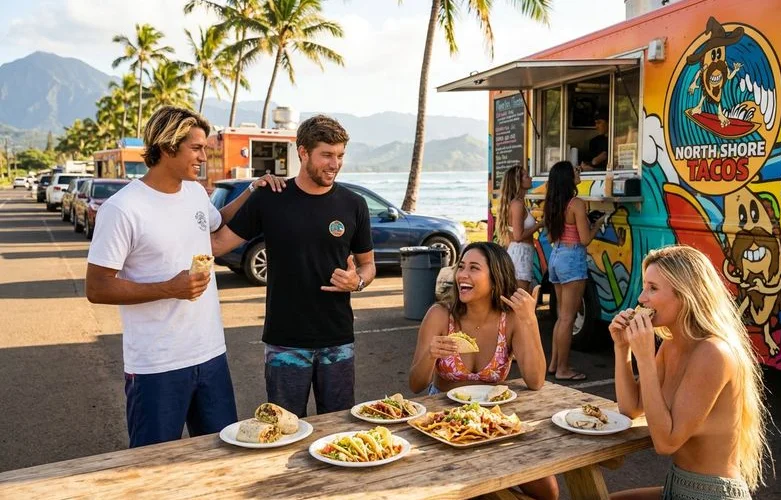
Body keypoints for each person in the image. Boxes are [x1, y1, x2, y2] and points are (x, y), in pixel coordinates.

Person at [85, 106, 283, 447]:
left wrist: (252, 191)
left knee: (221, 455)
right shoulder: (122, 208)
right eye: (197, 148)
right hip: (156, 364)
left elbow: (216, 227)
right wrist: (169, 288)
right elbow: (97, 287)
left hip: (210, 355)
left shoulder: (193, 192)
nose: (204, 157)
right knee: (154, 465)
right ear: (167, 147)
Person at [210, 114, 376, 418]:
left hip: (337, 340)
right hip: (285, 342)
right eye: (326, 154)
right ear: (302, 152)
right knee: (284, 429)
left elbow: (368, 265)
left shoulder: (354, 204)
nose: (335, 164)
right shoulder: (271, 198)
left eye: (339, 156)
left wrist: (358, 282)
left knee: (339, 427)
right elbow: (216, 244)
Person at [610, 245, 771, 500]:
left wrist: (646, 360)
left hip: (713, 494)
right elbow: (631, 409)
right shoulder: (673, 344)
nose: (641, 298)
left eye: (653, 288)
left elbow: (666, 443)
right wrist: (623, 349)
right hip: (677, 485)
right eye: (644, 287)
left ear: (686, 295)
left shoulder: (713, 352)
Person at [408, 242, 558, 500]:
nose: (462, 275)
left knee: (548, 492)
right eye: (461, 267)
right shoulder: (440, 315)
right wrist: (430, 356)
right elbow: (415, 385)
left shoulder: (510, 319)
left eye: (474, 268)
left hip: (492, 421)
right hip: (443, 421)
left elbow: (535, 380)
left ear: (495, 276)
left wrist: (529, 320)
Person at [544, 161, 603, 381]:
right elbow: (585, 239)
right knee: (568, 318)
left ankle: (553, 364)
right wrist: (596, 225)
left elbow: (551, 237)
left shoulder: (553, 203)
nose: (579, 173)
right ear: (568, 178)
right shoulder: (576, 203)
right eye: (576, 171)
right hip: (572, 258)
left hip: (556, 256)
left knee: (562, 316)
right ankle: (563, 369)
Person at [496, 165, 542, 291]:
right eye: (527, 176)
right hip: (520, 253)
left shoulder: (518, 202)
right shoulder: (517, 204)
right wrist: (540, 224)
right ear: (518, 182)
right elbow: (518, 236)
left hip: (521, 252)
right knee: (520, 296)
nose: (531, 178)